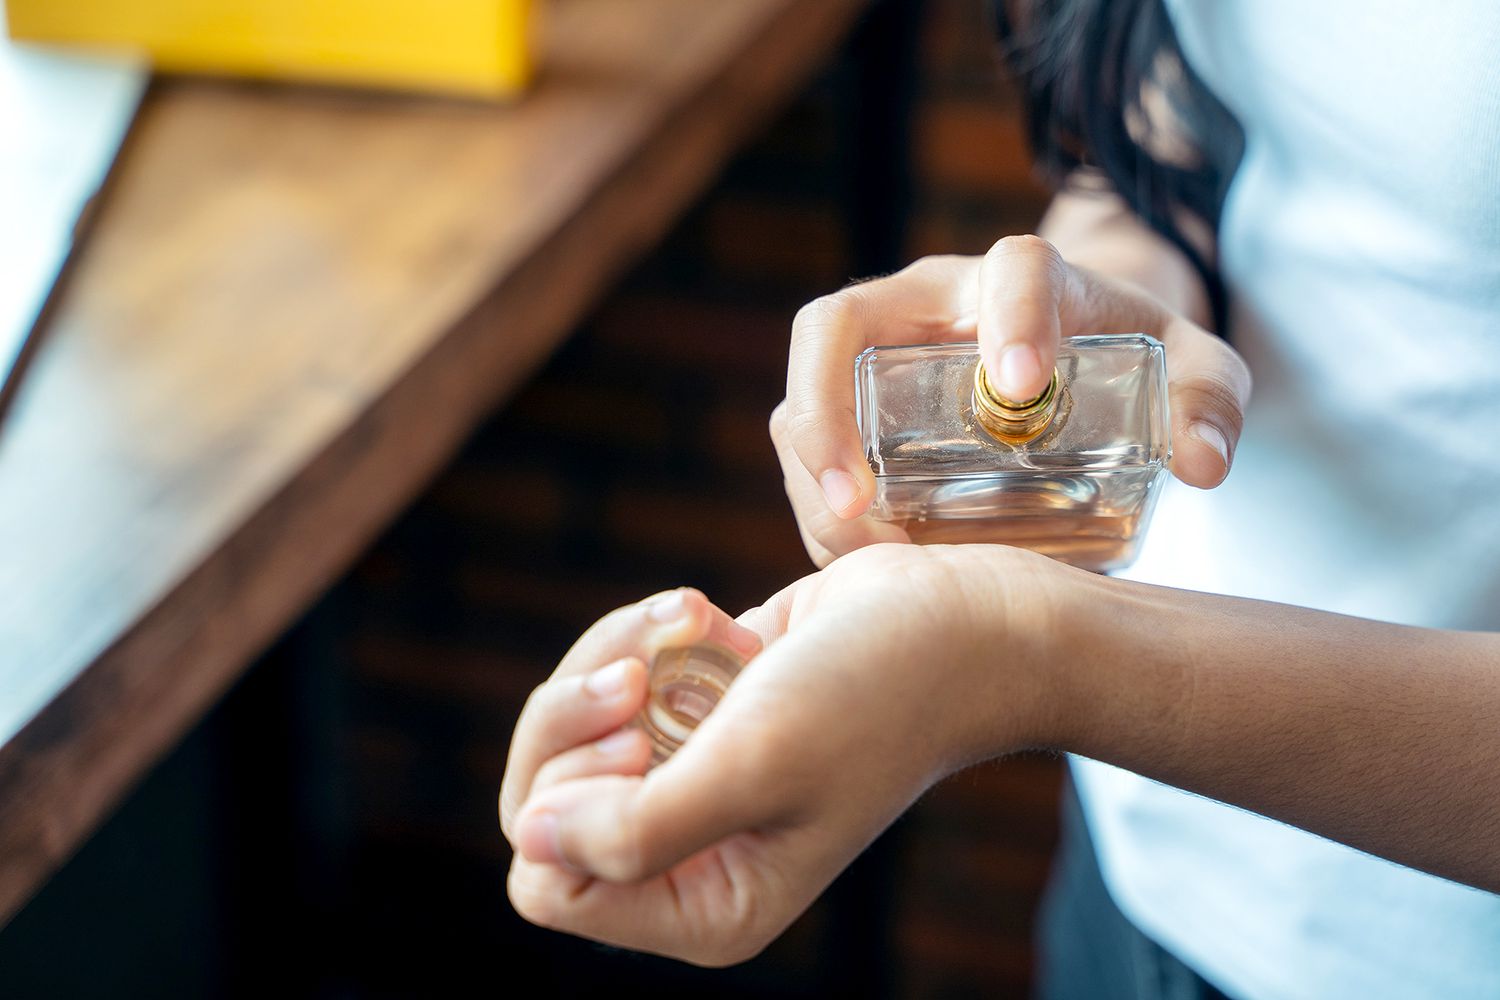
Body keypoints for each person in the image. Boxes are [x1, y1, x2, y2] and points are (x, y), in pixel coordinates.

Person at [500, 1, 1500, 996]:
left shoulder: (1057, 656)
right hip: (1141, 870)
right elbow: (1179, 132)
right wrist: (1076, 330)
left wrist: (1037, 654)